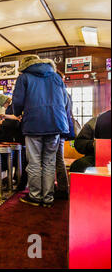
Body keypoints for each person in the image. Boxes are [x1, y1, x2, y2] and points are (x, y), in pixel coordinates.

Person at [12, 55, 69, 208]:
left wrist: (18, 112)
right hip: (56, 123)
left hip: (34, 123)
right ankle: (48, 198)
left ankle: (35, 196)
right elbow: (65, 101)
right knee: (50, 162)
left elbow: (17, 101)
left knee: (35, 162)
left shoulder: (24, 78)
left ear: (25, 65)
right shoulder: (56, 77)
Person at [54, 70, 75, 200]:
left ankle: (61, 189)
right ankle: (62, 188)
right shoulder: (66, 93)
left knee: (55, 160)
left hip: (57, 129)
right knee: (58, 160)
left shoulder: (58, 92)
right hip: (63, 129)